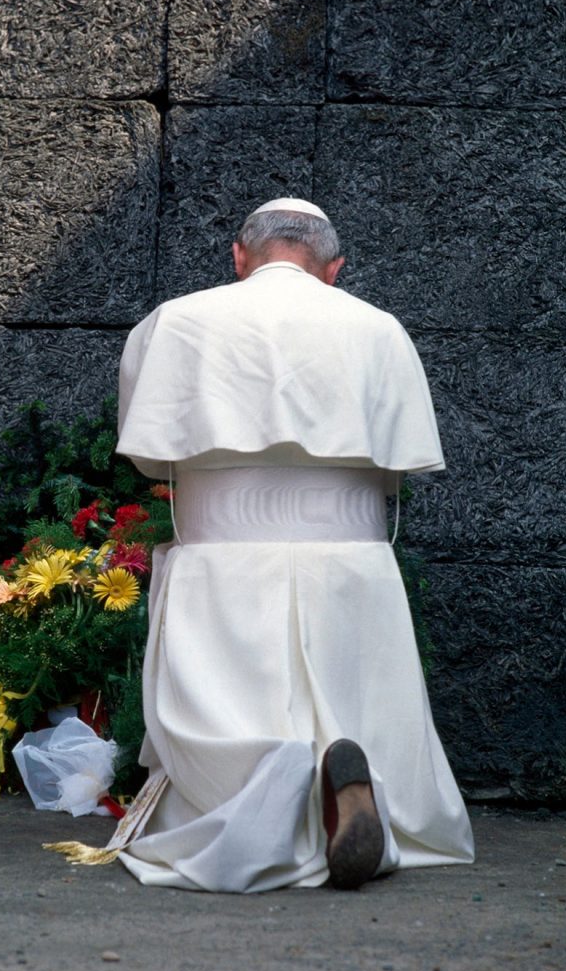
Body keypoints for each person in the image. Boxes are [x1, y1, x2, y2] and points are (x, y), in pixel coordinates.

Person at [111, 197, 474, 892]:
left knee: (225, 699)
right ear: (333, 269)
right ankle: (348, 794)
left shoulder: (177, 322)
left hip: (222, 551)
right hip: (350, 558)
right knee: (351, 691)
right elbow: (399, 465)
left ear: (239, 256)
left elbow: (154, 459)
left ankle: (268, 788)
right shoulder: (380, 330)